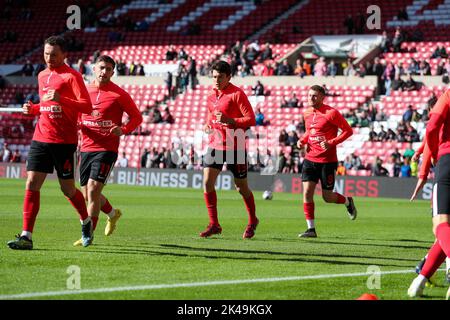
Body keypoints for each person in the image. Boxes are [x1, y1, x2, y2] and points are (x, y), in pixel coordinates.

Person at [7, 36, 93, 250]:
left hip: (64, 142)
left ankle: (86, 221)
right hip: (41, 137)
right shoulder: (42, 74)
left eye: (54, 54)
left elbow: (87, 106)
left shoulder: (73, 77)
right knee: (31, 183)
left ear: (65, 55)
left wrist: (61, 99)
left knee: (67, 189)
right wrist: (32, 109)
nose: (49, 58)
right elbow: (45, 105)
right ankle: (26, 236)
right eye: (46, 54)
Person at [72, 55, 143, 247]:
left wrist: (124, 130)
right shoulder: (83, 90)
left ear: (113, 72)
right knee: (87, 195)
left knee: (94, 190)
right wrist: (77, 123)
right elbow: (76, 113)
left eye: (109, 69)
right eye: (101, 67)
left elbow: (137, 117)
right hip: (86, 148)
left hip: (107, 148)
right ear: (94, 69)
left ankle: (88, 234)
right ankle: (113, 214)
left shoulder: (119, 94)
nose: (104, 72)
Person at [200, 60, 258, 239]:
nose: (216, 80)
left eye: (220, 77)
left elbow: (251, 119)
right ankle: (214, 224)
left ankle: (252, 220)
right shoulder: (211, 95)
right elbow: (211, 114)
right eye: (214, 77)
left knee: (241, 188)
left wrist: (231, 120)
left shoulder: (237, 94)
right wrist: (208, 124)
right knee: (207, 182)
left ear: (229, 77)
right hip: (215, 143)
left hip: (236, 145)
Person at [297, 85, 357, 238]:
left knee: (327, 197)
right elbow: (310, 132)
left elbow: (348, 131)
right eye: (309, 95)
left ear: (322, 97)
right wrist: (302, 141)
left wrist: (332, 142)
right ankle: (311, 229)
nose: (311, 98)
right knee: (307, 193)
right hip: (310, 158)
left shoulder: (331, 113)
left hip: (327, 161)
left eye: (315, 96)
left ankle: (347, 202)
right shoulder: (307, 113)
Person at [408, 89, 450, 299]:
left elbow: (431, 128)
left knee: (440, 225)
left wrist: (430, 159)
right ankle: (420, 279)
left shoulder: (448, 96)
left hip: (448, 160)